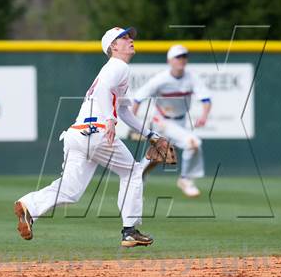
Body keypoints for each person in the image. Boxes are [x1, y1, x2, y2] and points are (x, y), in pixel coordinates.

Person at [14, 27, 160, 247]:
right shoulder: (118, 66)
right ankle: (129, 231)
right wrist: (110, 120)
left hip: (77, 134)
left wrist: (150, 134)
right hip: (97, 132)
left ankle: (28, 205)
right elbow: (103, 90)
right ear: (113, 46)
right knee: (132, 172)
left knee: (70, 190)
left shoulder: (111, 69)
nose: (130, 40)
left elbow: (123, 111)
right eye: (124, 38)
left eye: (130, 37)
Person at [132, 45, 211, 197]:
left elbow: (206, 98)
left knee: (159, 156)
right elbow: (138, 98)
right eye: (178, 57)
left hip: (180, 121)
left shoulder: (192, 77)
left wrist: (204, 116)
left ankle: (137, 175)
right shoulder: (161, 79)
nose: (182, 60)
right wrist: (133, 123)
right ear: (170, 60)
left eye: (184, 57)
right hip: (162, 121)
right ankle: (185, 179)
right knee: (192, 143)